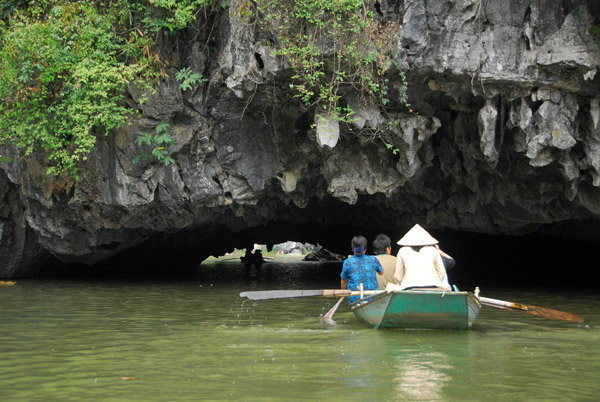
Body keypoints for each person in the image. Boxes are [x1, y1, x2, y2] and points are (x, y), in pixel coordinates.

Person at [394, 224, 451, 291]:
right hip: (433, 286)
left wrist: (406, 282)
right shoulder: (433, 250)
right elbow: (441, 272)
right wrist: (434, 280)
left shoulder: (402, 251)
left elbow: (398, 276)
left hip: (409, 287)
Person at [340, 235, 383, 303]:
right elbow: (381, 272)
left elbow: (343, 280)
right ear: (365, 249)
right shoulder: (373, 259)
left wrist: (343, 294)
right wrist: (378, 261)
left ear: (352, 249)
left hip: (355, 298)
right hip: (372, 296)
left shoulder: (347, 262)